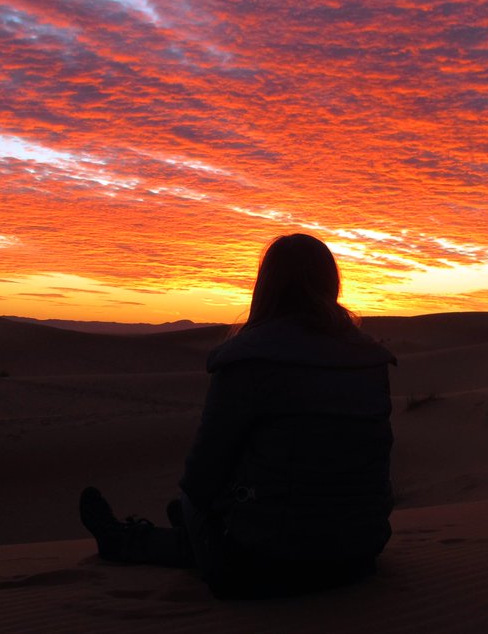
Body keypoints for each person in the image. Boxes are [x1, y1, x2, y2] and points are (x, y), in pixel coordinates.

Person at [80, 233, 397, 599]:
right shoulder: (369, 361)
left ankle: (120, 540)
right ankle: (196, 533)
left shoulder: (248, 360)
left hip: (268, 564)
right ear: (332, 283)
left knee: (193, 507)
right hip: (360, 554)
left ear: (267, 286)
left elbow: (201, 477)